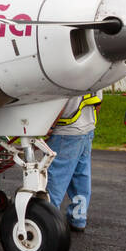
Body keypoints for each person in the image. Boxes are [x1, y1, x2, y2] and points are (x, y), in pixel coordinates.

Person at [46, 92, 101, 233]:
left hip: (66, 132)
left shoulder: (69, 72)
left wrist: (49, 127)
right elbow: (98, 102)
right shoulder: (98, 73)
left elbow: (61, 102)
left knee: (55, 180)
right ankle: (78, 219)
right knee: (81, 178)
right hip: (87, 129)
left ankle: (48, 222)